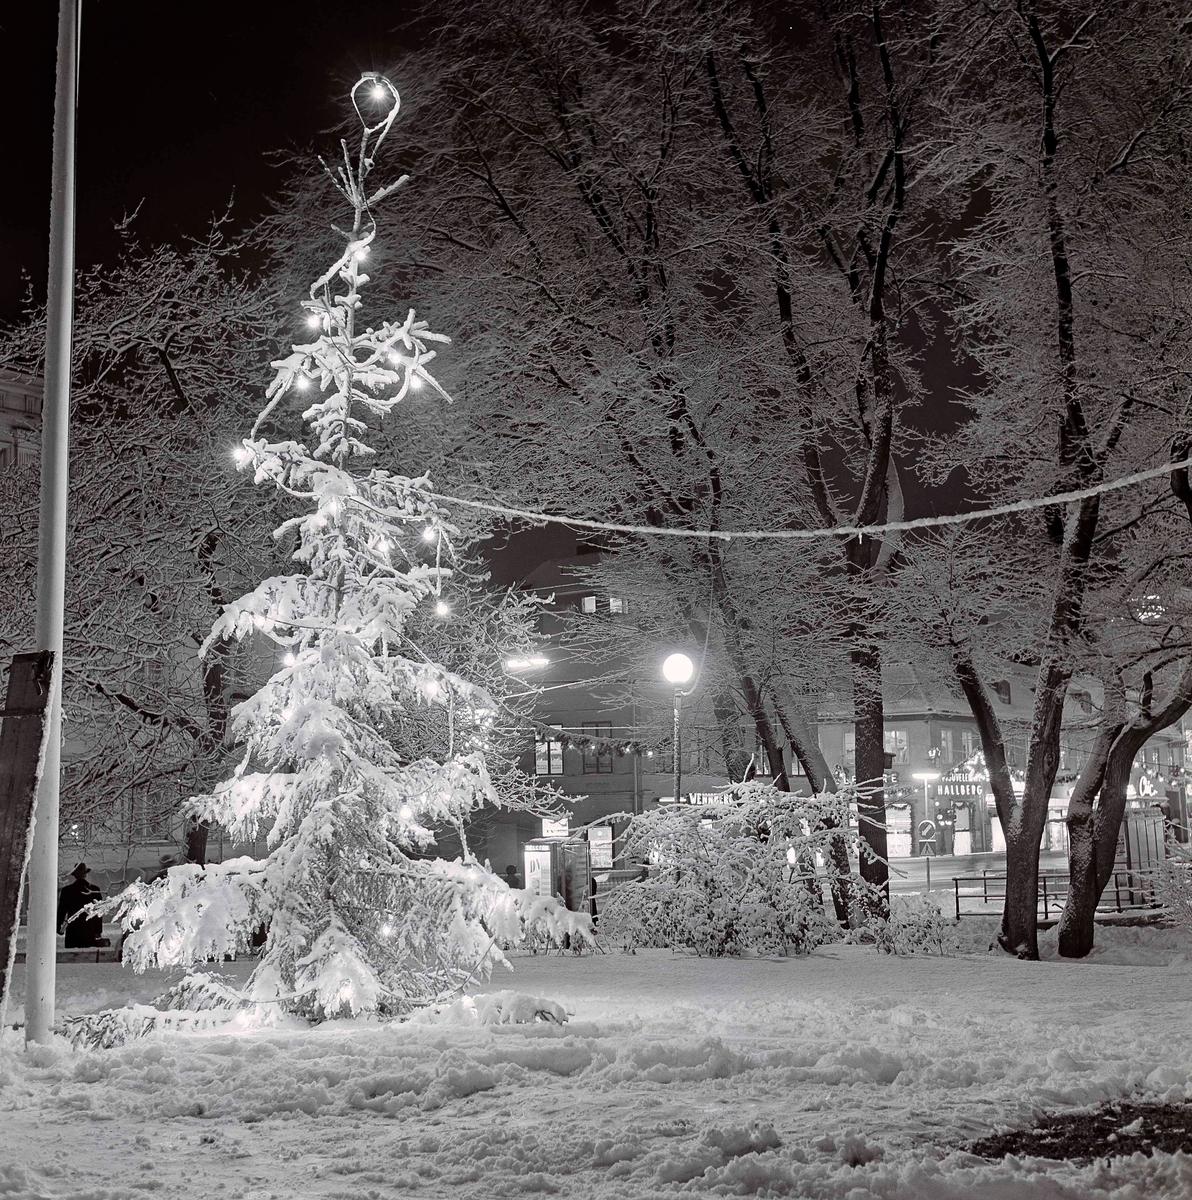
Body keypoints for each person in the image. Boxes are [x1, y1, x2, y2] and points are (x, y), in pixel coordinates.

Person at [56, 863, 106, 948]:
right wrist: (98, 931)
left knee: (72, 957)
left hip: (73, 931)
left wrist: (59, 929)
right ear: (85, 874)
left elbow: (61, 912)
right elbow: (98, 913)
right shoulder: (94, 890)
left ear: (75, 875)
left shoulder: (67, 891)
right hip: (90, 930)